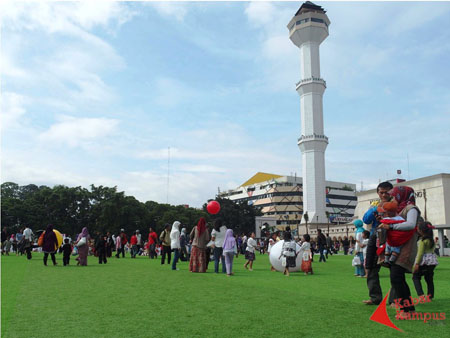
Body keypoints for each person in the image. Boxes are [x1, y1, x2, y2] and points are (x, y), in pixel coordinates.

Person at [378, 186, 421, 317]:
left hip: (407, 247)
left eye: (394, 196)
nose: (393, 199)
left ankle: (406, 310)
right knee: (398, 278)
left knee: (396, 277)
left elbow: (411, 224)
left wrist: (391, 226)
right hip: (398, 246)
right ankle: (408, 309)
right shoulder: (400, 209)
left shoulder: (411, 208)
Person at [362, 181, 393, 305]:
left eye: (387, 192)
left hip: (392, 237)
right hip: (375, 236)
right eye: (382, 192)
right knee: (370, 267)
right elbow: (366, 219)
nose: (384, 195)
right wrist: (376, 208)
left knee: (395, 269)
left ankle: (394, 300)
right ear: (378, 193)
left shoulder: (397, 205)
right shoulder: (374, 206)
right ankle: (375, 297)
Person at [377, 201, 409, 265]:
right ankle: (392, 259)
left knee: (388, 248)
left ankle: (386, 260)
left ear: (388, 213)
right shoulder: (400, 219)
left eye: (384, 212)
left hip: (390, 239)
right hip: (398, 239)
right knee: (396, 249)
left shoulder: (387, 220)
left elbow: (381, 226)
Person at [412, 221, 438, 300]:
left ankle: (421, 295)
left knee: (415, 277)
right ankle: (430, 295)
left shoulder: (422, 241)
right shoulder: (432, 241)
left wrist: (417, 264)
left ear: (421, 230)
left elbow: (420, 253)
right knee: (429, 278)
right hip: (432, 261)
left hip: (424, 261)